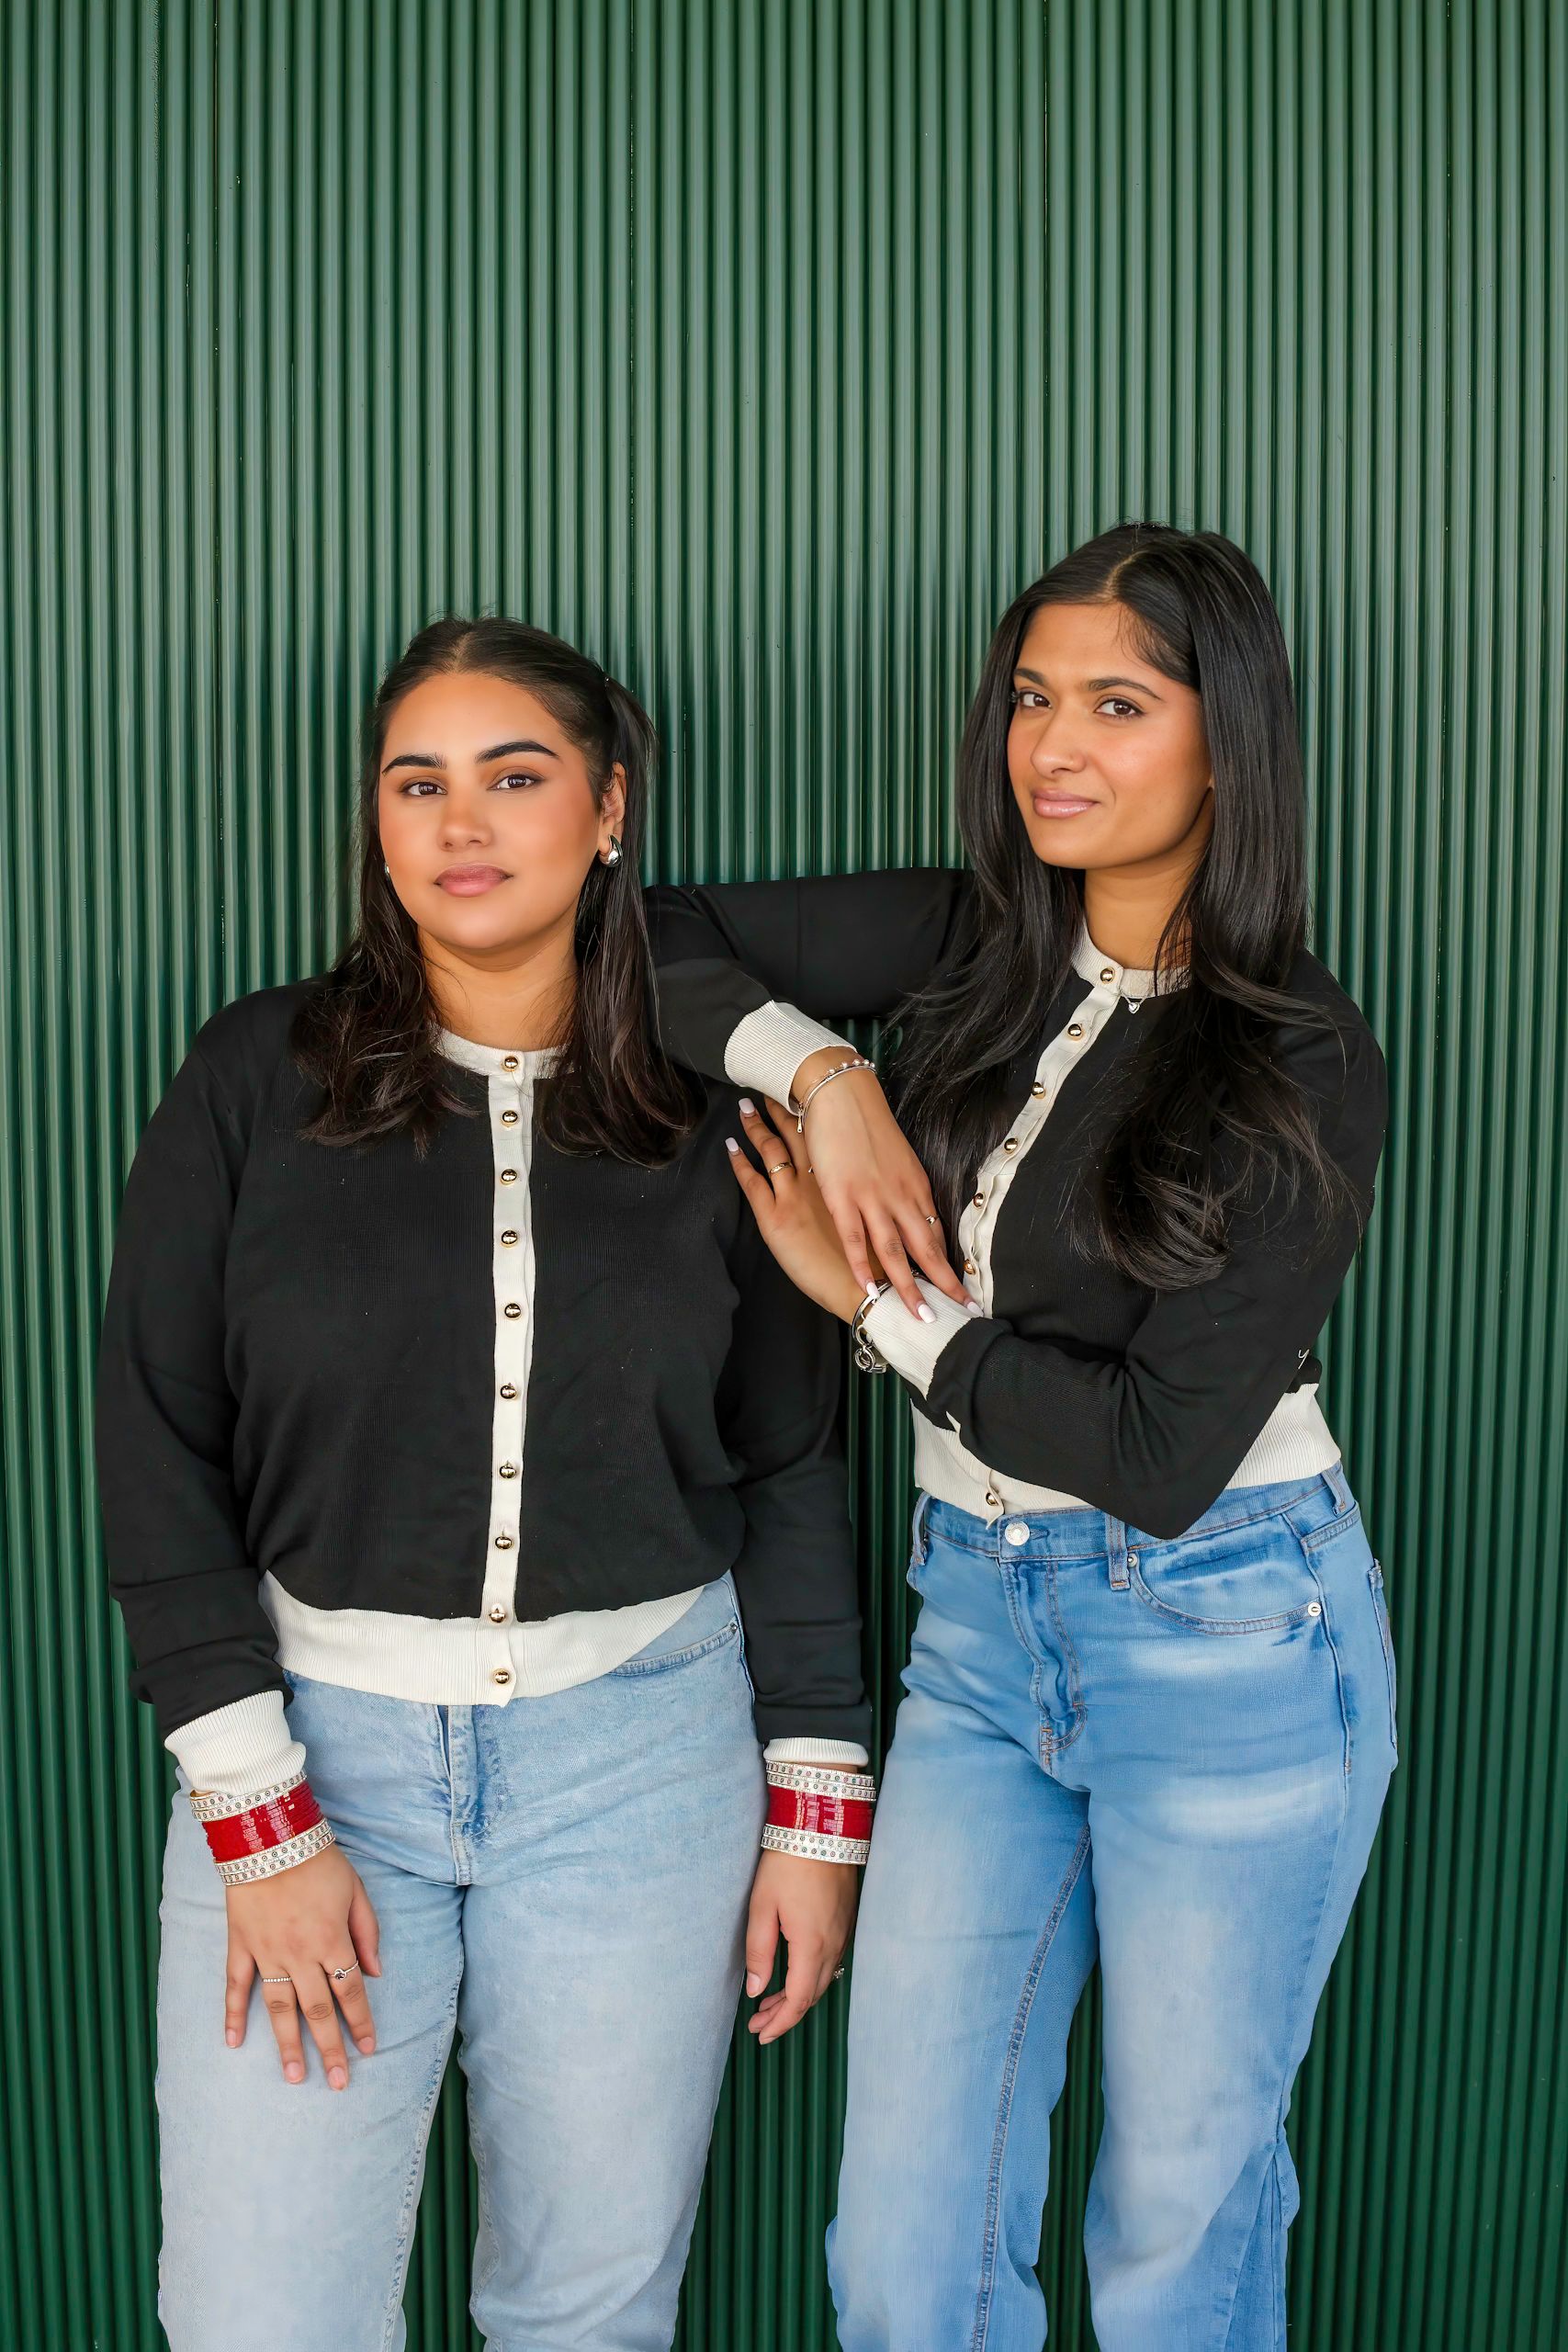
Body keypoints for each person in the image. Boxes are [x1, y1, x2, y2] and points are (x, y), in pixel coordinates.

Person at [645, 523, 1398, 2350]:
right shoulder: (971, 943)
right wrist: (823, 1076)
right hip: (978, 1632)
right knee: (903, 2246)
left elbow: (1150, 1450)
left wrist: (881, 1308)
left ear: (1225, 741)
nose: (1049, 746)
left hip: (1225, 1631)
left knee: (1171, 2235)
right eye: (1029, 699)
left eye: (1115, 706)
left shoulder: (1296, 1059)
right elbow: (631, 936)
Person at [94, 618, 874, 2352]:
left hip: (645, 1770)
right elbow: (158, 1440)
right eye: (417, 782)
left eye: (514, 778)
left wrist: (817, 1807)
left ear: (609, 810)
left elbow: (788, 1456)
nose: (461, 822)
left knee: (587, 2312)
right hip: (316, 1763)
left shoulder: (706, 1107)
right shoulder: (253, 1075)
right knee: (257, 2316)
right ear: (375, 826)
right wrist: (258, 1819)